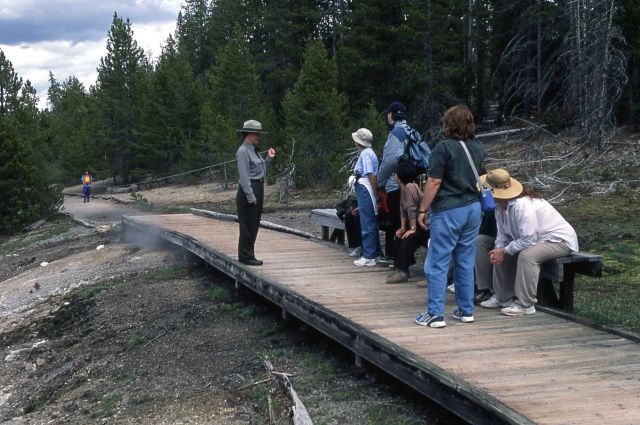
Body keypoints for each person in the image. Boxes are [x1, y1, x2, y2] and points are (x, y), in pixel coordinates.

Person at [415, 105, 484, 328]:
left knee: (438, 260)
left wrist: (423, 209)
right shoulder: (477, 147)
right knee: (465, 260)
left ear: (448, 123)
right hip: (473, 208)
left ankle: (435, 314)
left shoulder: (443, 149)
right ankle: (466, 310)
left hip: (448, 209)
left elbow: (434, 182)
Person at [479, 169, 579, 316]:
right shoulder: (500, 207)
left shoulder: (522, 205)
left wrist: (505, 250)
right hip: (535, 240)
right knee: (500, 250)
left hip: (558, 240)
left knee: (527, 256)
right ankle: (502, 297)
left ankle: (526, 304)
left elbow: (529, 240)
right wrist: (499, 250)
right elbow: (502, 234)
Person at [236, 120, 276, 266]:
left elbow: (261, 170)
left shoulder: (253, 150)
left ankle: (249, 254)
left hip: (258, 188)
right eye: (257, 134)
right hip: (249, 190)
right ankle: (245, 256)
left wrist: (269, 159)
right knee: (247, 224)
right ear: (250, 134)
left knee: (254, 224)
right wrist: (250, 196)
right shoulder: (242, 152)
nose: (259, 136)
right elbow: (244, 177)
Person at [377, 101, 410, 262]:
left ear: (391, 115)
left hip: (395, 184)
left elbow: (390, 161)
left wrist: (379, 181)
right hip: (410, 182)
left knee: (397, 222)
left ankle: (398, 260)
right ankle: (400, 258)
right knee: (403, 220)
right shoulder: (409, 130)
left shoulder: (396, 133)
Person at [386, 161, 429, 284]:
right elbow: (402, 210)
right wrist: (403, 227)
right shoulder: (403, 188)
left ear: (400, 177)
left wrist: (413, 229)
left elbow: (411, 209)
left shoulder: (410, 187)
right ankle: (400, 268)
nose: (395, 176)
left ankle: (403, 271)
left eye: (396, 174)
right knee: (400, 235)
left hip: (424, 225)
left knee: (409, 238)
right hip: (416, 223)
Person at [351, 128, 381, 267]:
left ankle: (369, 254)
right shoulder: (367, 153)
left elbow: (370, 175)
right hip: (364, 186)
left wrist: (375, 193)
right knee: (369, 220)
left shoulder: (366, 154)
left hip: (365, 187)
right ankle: (374, 253)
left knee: (367, 221)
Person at [473, 206, 498, 304]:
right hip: (498, 235)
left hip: (525, 240)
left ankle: (502, 294)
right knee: (479, 241)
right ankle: (484, 288)